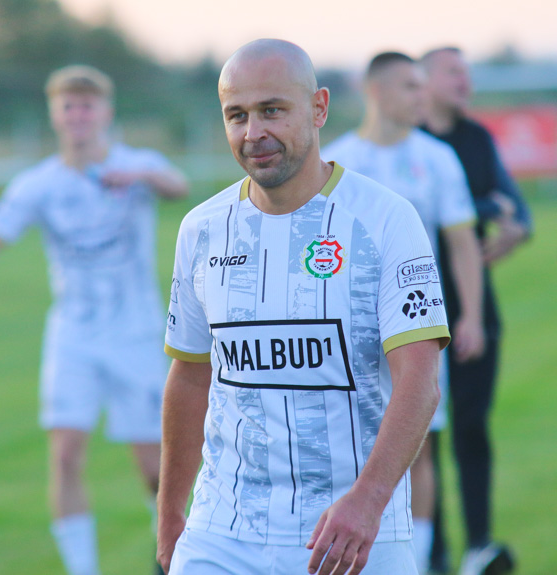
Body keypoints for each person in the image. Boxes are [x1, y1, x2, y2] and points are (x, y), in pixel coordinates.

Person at [157, 39, 450, 575]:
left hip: (357, 531)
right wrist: (171, 511)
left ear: (318, 108)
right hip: (223, 531)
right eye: (236, 115)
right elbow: (190, 375)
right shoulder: (201, 228)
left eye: (272, 110)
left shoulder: (386, 220)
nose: (254, 133)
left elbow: (419, 381)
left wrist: (368, 500)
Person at [0, 65, 189, 575]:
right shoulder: (37, 184)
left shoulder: (137, 165)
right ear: (55, 115)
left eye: (87, 105)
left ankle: (167, 557)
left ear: (105, 112)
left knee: (155, 469)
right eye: (68, 106)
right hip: (74, 335)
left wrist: (143, 176)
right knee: (64, 455)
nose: (78, 115)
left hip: (135, 332)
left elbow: (179, 186)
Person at [321, 51, 485, 574]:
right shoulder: (337, 159)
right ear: (377, 91)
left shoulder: (437, 157)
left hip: (415, 329)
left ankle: (417, 560)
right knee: (346, 444)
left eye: (423, 86)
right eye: (411, 87)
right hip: (348, 335)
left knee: (422, 446)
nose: (422, 96)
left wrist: (472, 315)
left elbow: (462, 243)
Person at [419, 46, 533, 575]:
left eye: (469, 72)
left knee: (471, 428)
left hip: (474, 311)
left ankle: (479, 546)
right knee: (420, 438)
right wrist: (489, 210)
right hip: (415, 315)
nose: (466, 81)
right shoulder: (407, 145)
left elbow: (520, 214)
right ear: (425, 81)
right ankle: (431, 550)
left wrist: (512, 230)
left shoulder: (477, 138)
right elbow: (482, 207)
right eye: (454, 72)